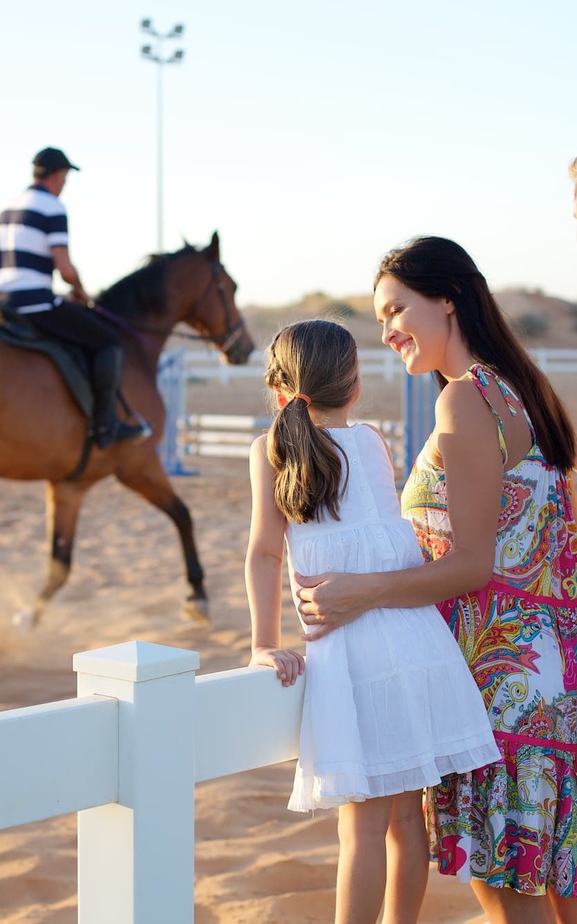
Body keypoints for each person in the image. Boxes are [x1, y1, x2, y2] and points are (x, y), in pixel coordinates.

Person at [294, 238, 577, 924]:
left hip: (501, 680)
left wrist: (360, 592)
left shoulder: (465, 402)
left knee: (510, 894)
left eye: (397, 308)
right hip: (549, 673)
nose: (387, 329)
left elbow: (474, 564)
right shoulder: (521, 390)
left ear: (447, 298)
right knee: (559, 885)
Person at [245, 318, 499, 924]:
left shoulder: (270, 450)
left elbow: (263, 553)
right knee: (406, 823)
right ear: (355, 385)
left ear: (279, 390)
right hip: (413, 641)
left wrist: (263, 643)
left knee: (360, 831)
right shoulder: (374, 442)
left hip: (353, 658)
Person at [0, 146, 150, 449]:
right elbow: (63, 265)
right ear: (58, 175)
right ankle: (104, 428)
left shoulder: (9, 206)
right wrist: (79, 290)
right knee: (107, 340)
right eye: (65, 177)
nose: (65, 184)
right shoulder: (52, 206)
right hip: (33, 303)